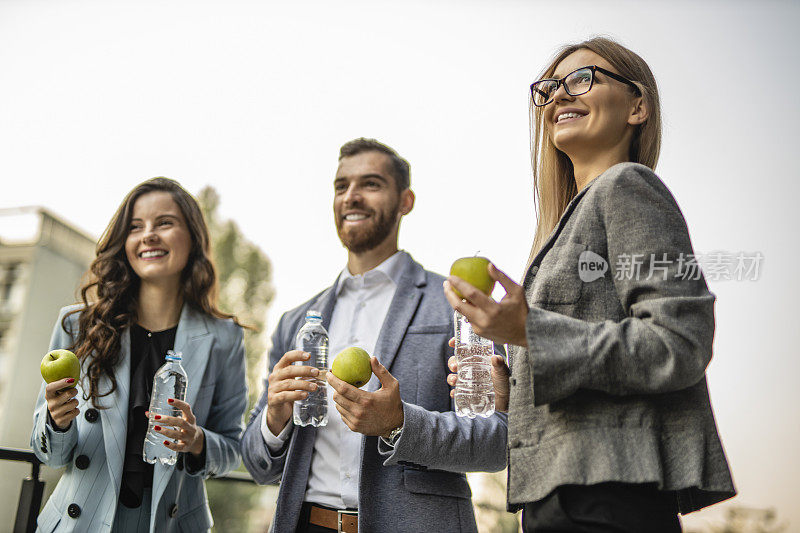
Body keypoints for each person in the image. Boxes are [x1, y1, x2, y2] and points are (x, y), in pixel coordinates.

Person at [444, 38, 736, 532]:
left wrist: (532, 332)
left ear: (637, 106)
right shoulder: (560, 231)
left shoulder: (628, 187)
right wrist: (513, 387)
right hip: (557, 503)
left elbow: (679, 342)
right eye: (551, 88)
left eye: (583, 79)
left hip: (608, 500)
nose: (559, 95)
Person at [240, 138, 507, 533]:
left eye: (370, 184)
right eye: (341, 186)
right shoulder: (296, 322)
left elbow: (496, 442)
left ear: (406, 201)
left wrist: (399, 423)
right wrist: (274, 418)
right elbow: (258, 465)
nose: (351, 197)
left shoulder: (456, 305)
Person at [31, 177, 248, 532]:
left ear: (192, 238)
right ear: (125, 242)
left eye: (164, 222)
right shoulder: (78, 325)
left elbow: (233, 448)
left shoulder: (225, 338)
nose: (148, 234)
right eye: (135, 227)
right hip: (80, 521)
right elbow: (49, 454)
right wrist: (57, 420)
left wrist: (195, 440)